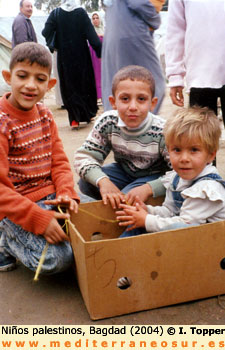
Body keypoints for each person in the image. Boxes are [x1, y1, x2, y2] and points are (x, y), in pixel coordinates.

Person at [0, 42, 80, 273]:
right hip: (16, 206)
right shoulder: (3, 123)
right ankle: (5, 242)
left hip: (51, 196)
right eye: (22, 76)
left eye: (40, 79)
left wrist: (66, 191)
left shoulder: (45, 115)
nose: (30, 86)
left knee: (89, 228)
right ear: (8, 76)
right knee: (58, 259)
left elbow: (59, 161)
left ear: (50, 84)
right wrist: (39, 219)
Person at [116, 107, 225, 237]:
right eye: (177, 150)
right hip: (189, 240)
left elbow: (185, 225)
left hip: (211, 245)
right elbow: (170, 211)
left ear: (211, 155)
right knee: (135, 224)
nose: (184, 159)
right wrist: (148, 210)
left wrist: (147, 220)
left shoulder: (207, 189)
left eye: (194, 150)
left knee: (149, 225)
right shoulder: (176, 178)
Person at [74, 65, 170, 209]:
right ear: (113, 102)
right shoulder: (108, 122)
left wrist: (149, 188)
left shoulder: (163, 131)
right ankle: (117, 204)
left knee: (127, 199)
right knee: (87, 182)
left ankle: (148, 206)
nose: (133, 106)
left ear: (152, 103)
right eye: (125, 99)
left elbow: (181, 173)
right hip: (124, 172)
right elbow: (83, 157)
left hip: (155, 176)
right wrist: (104, 182)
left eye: (141, 99)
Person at [42, 0, 102, 129]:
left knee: (69, 85)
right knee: (84, 84)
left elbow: (45, 31)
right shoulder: (80, 12)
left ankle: (74, 119)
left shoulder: (56, 13)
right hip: (81, 56)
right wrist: (99, 51)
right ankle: (87, 114)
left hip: (64, 57)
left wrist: (55, 43)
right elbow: (92, 36)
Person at [165, 0, 225, 124]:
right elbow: (175, 31)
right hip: (200, 74)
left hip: (201, 72)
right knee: (201, 136)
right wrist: (175, 75)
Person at [101, 0, 165, 115]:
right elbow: (138, 3)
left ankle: (116, 124)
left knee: (117, 82)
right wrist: (154, 19)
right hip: (133, 33)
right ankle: (141, 126)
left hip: (114, 31)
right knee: (155, 84)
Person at [89, 11, 104, 106]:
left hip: (102, 56)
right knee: (95, 74)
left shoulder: (105, 30)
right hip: (93, 55)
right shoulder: (90, 32)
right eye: (93, 18)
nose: (95, 20)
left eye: (97, 18)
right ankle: (97, 96)